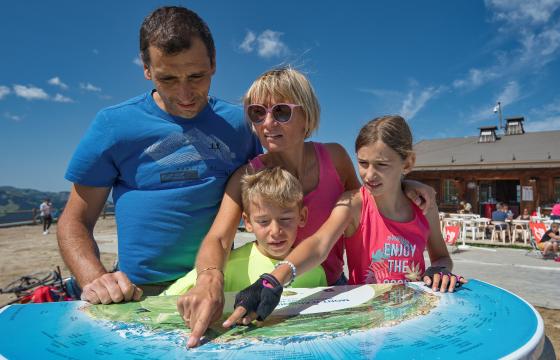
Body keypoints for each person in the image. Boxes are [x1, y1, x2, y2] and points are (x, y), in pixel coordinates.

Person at [177, 68, 435, 348]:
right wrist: (208, 278)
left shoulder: (335, 158)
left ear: (307, 116)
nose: (267, 122)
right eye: (257, 113)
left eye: (281, 112)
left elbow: (367, 197)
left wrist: (405, 184)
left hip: (334, 286)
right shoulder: (247, 176)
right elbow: (219, 237)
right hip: (274, 287)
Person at [57, 6, 262, 304]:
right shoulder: (113, 125)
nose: (185, 93)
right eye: (167, 79)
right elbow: (74, 220)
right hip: (140, 292)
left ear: (214, 63)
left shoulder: (241, 124)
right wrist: (95, 279)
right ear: (147, 69)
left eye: (196, 76)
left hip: (218, 282)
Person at [222, 115, 465, 329]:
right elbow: (318, 245)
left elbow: (441, 256)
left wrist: (439, 270)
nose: (369, 175)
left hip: (414, 315)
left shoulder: (424, 206)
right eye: (363, 163)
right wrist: (274, 279)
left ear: (408, 163)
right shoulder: (353, 204)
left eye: (381, 165)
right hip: (366, 317)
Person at [162, 167, 326, 296]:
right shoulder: (227, 267)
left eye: (285, 219)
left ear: (302, 217)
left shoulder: (314, 269)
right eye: (263, 221)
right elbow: (166, 300)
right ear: (248, 222)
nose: (275, 231)